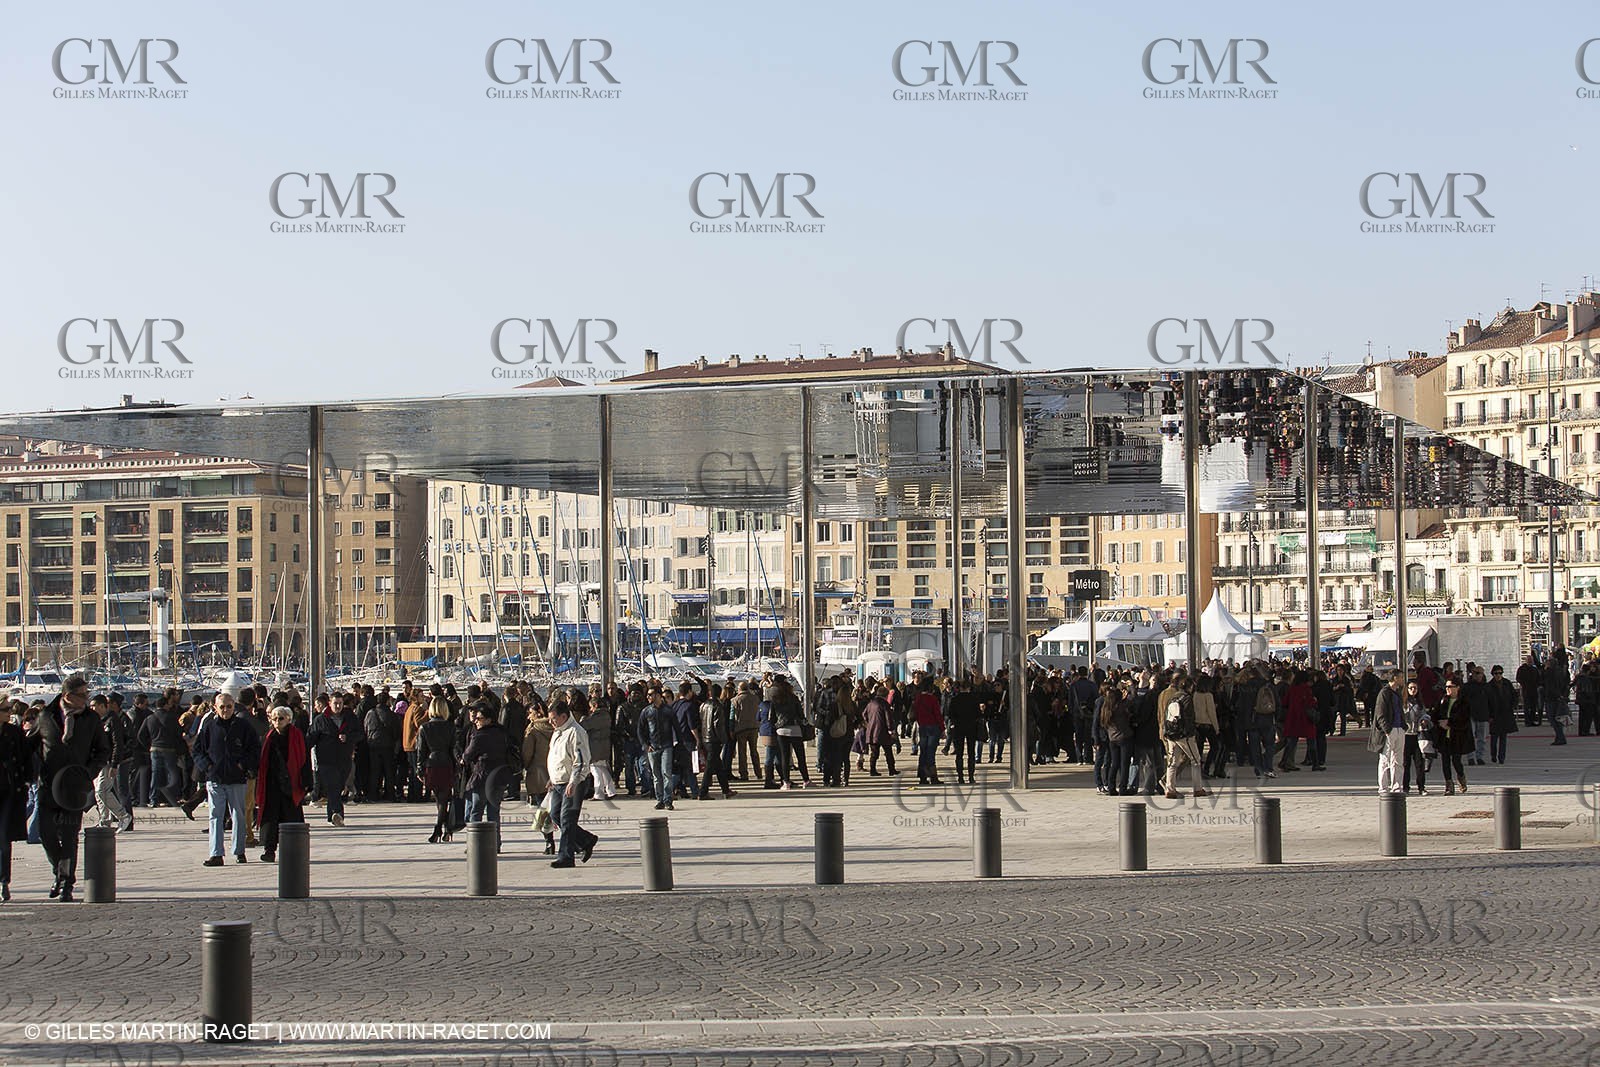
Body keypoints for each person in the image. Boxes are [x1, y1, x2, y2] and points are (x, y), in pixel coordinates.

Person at [35, 674, 110, 901]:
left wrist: (89, 772)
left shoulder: (90, 719)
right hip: (48, 785)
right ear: (67, 696)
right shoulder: (46, 716)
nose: (87, 698)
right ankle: (59, 870)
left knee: (69, 836)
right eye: (82, 694)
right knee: (46, 833)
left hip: (75, 785)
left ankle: (66, 884)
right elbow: (33, 746)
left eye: (88, 693)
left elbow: (102, 750)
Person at [192, 689, 261, 867]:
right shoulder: (209, 727)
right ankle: (216, 853)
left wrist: (243, 765)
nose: (226, 710)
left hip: (236, 779)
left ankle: (239, 850)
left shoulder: (243, 726)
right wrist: (207, 767)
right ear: (215, 708)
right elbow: (198, 750)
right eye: (222, 707)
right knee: (215, 816)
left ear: (233, 707)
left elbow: (254, 749)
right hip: (215, 778)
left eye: (229, 707)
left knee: (238, 814)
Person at [546, 701, 597, 869]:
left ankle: (566, 856)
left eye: (553, 719)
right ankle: (585, 840)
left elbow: (580, 760)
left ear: (563, 716)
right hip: (558, 781)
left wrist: (574, 781)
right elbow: (556, 757)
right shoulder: (557, 732)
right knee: (555, 815)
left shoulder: (576, 732)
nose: (551, 722)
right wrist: (552, 778)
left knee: (567, 819)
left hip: (574, 782)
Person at [255, 706, 307, 863]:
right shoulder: (269, 737)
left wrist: (306, 782)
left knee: (290, 817)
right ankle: (269, 850)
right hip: (272, 783)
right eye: (274, 718)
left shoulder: (296, 735)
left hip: (291, 783)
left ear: (288, 719)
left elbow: (303, 758)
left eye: (281, 718)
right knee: (270, 818)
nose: (277, 721)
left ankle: (293, 852)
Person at [306, 692, 359, 826]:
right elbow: (311, 738)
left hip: (344, 759)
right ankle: (337, 814)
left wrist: (348, 738)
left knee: (338, 786)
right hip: (326, 760)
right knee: (332, 786)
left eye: (340, 703)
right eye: (335, 703)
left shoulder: (350, 718)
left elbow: (360, 733)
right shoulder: (321, 719)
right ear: (329, 703)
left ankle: (333, 816)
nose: (338, 706)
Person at [0, 700, 31, 902]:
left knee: (4, 837)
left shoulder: (13, 732)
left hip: (8, 790)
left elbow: (25, 757)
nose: (9, 712)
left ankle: (3, 881)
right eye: (5, 709)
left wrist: (27, 780)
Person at [417, 701, 459, 843]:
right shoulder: (450, 727)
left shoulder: (424, 727)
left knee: (440, 799)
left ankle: (439, 829)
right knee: (443, 799)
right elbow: (454, 749)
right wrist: (457, 768)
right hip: (446, 764)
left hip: (432, 764)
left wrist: (419, 769)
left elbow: (421, 751)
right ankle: (444, 829)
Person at [637, 688, 680, 810]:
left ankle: (668, 800)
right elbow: (640, 730)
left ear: (658, 695)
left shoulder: (668, 710)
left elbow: (676, 727)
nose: (648, 697)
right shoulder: (646, 711)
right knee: (656, 775)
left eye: (650, 694)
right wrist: (646, 745)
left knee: (666, 773)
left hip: (667, 745)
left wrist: (678, 744)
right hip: (652, 747)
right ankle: (659, 799)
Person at [1437, 678, 1472, 795]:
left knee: (1456, 761)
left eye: (1450, 686)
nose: (1447, 689)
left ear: (1457, 688)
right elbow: (1436, 714)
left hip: (1457, 736)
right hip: (1444, 736)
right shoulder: (1443, 700)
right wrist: (1439, 723)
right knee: (1445, 761)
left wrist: (1450, 723)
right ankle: (1449, 785)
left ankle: (1461, 777)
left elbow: (1464, 719)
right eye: (1446, 687)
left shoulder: (1463, 702)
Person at [1374, 671, 1406, 796]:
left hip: (1399, 728)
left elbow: (1400, 710)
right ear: (1395, 678)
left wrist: (1403, 726)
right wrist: (1387, 729)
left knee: (1398, 760)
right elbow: (1380, 713)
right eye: (1401, 677)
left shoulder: (1397, 693)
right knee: (1385, 759)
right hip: (1389, 730)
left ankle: (1397, 786)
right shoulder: (1384, 693)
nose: (1403, 679)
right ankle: (1383, 787)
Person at [1400, 679, 1431, 796]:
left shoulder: (1419, 703)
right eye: (1411, 688)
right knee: (1405, 764)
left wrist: (1424, 720)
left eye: (1415, 688)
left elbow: (1424, 714)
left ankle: (1421, 787)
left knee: (1420, 764)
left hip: (1418, 736)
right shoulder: (1403, 702)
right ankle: (1405, 787)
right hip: (1406, 736)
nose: (1413, 690)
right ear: (1406, 690)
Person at [912, 680, 945, 786]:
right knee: (931, 752)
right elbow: (937, 714)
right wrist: (942, 729)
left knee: (923, 751)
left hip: (922, 726)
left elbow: (915, 713)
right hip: (933, 727)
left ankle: (922, 776)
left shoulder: (918, 699)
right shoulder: (932, 699)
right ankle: (933, 776)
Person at [863, 684, 897, 777]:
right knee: (888, 751)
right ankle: (891, 769)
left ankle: (872, 769)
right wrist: (891, 729)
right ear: (885, 695)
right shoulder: (885, 704)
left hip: (871, 731)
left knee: (874, 753)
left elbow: (864, 714)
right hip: (883, 731)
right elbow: (888, 718)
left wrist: (869, 723)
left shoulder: (871, 703)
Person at [1488, 665, 1519, 764]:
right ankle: (1493, 754)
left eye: (1500, 673)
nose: (1498, 675)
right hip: (1494, 714)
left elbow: (1514, 695)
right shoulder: (1489, 686)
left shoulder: (1507, 683)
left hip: (1505, 713)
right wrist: (1489, 715)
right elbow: (1487, 701)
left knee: (1503, 737)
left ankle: (1502, 757)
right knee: (1494, 737)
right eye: (1496, 673)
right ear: (1493, 674)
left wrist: (1513, 705)